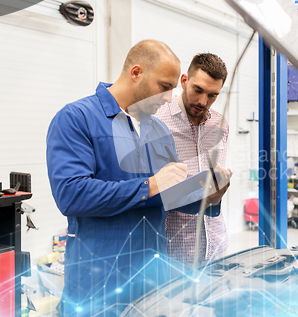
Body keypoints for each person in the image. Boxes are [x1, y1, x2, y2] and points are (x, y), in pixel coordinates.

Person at [46, 40, 221, 317]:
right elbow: (71, 194)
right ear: (136, 73)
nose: (167, 98)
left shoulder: (158, 129)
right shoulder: (77, 118)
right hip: (99, 282)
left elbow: (168, 196)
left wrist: (206, 196)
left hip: (152, 280)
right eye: (164, 87)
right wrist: (150, 185)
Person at [155, 53, 232, 264]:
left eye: (212, 95)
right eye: (197, 90)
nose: (203, 101)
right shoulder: (157, 121)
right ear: (183, 81)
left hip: (216, 248)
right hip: (173, 253)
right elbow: (151, 190)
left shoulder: (221, 124)